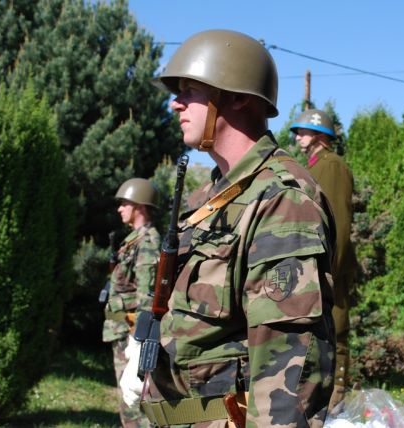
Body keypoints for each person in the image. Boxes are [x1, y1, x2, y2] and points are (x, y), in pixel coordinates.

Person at [141, 29, 336, 427]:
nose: (176, 103)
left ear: (236, 96)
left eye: (189, 91)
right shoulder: (208, 196)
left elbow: (289, 374)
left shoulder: (283, 200)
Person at [290, 109, 358, 410]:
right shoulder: (317, 165)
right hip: (316, 264)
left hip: (330, 266)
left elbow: (339, 224)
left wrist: (330, 271)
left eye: (303, 131)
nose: (297, 137)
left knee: (336, 328)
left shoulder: (332, 166)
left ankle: (336, 398)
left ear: (319, 134)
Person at [103, 178, 161, 428]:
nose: (120, 208)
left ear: (140, 205)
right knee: (127, 401)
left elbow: (147, 296)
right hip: (123, 331)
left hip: (131, 334)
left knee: (134, 404)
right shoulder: (134, 240)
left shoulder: (147, 242)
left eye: (125, 203)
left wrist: (139, 343)